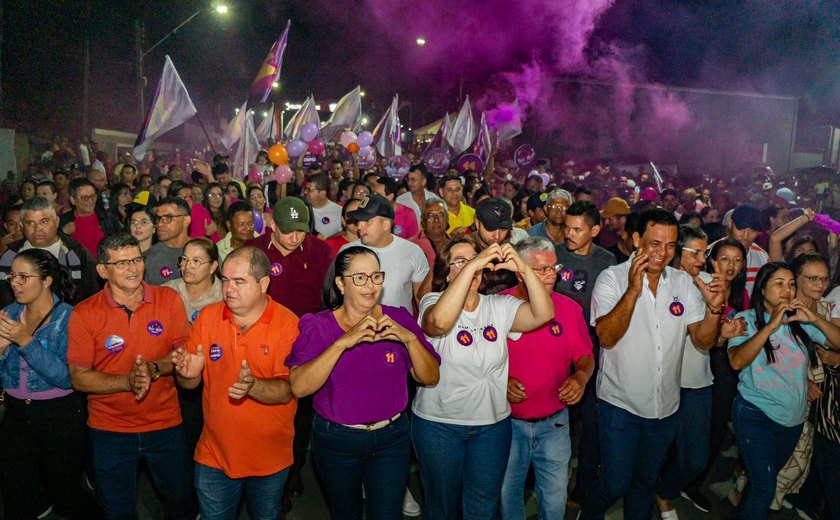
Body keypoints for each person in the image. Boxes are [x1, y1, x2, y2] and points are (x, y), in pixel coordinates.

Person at [580, 208, 725, 520]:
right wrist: (633, 291)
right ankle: (589, 512)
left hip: (665, 407)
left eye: (671, 245)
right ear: (636, 240)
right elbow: (606, 336)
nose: (663, 253)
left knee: (645, 482)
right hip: (620, 406)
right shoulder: (612, 279)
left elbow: (702, 342)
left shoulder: (683, 284)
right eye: (655, 244)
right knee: (616, 482)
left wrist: (714, 311)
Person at [286, 246, 440, 520]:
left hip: (391, 437)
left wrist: (410, 339)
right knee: (346, 513)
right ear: (340, 283)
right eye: (359, 278)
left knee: (388, 514)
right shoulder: (319, 326)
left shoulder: (399, 319)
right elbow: (299, 387)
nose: (370, 285)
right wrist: (342, 343)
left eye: (376, 276)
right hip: (337, 439)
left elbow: (430, 377)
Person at [413, 237, 554, 519]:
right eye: (460, 261)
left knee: (483, 506)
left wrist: (524, 270)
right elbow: (439, 324)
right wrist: (474, 264)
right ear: (447, 271)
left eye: (475, 260)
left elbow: (543, 313)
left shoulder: (498, 306)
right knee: (442, 506)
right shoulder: (431, 301)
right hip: (441, 426)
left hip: (491, 427)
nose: (472, 267)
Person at [67, 233, 196, 520]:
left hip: (165, 423)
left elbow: (182, 353)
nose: (133, 268)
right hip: (109, 430)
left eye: (136, 259)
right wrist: (128, 381)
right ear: (102, 270)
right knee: (117, 509)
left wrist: (152, 369)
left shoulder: (168, 299)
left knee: (181, 500)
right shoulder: (84, 313)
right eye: (122, 262)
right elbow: (79, 377)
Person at [171, 247, 299, 520]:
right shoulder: (207, 317)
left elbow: (288, 390)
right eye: (225, 280)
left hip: (269, 459)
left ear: (263, 283)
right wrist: (187, 373)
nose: (229, 289)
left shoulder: (288, 324)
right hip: (214, 455)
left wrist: (253, 386)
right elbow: (190, 384)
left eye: (239, 281)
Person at [727, 262, 840, 519]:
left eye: (790, 284)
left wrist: (816, 320)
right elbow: (736, 361)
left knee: (759, 485)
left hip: (791, 421)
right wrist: (769, 326)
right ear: (763, 288)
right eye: (779, 283)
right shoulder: (745, 320)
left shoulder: (799, 322)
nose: (787, 290)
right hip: (756, 415)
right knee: (765, 488)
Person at [654, 227, 748, 517]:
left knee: (696, 457)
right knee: (654, 452)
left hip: (697, 381)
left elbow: (711, 339)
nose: (701, 258)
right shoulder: (657, 282)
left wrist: (724, 334)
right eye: (694, 251)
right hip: (660, 380)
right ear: (674, 250)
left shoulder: (710, 283)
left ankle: (665, 492)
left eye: (704, 252)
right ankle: (651, 494)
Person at [500, 237, 594, 520]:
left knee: (554, 502)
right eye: (541, 269)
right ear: (520, 272)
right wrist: (500, 382)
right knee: (507, 495)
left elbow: (586, 356)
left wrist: (580, 377)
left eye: (553, 267)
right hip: (507, 423)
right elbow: (479, 363)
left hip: (554, 422)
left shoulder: (568, 309)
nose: (551, 274)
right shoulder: (498, 307)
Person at [0, 249, 94, 519]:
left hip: (59, 415)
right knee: (16, 492)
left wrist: (25, 341)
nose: (14, 283)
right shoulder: (8, 313)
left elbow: (66, 377)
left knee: (65, 491)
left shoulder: (69, 318)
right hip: (15, 413)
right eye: (12, 276)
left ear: (46, 280)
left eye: (23, 277)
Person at [553, 201, 616, 507]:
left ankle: (583, 487)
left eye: (577, 229)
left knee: (590, 422)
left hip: (590, 351)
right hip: (552, 347)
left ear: (594, 230)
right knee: (551, 414)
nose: (569, 233)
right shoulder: (553, 254)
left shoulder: (607, 261)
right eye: (567, 226)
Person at [0, 197, 99, 306]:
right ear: (22, 226)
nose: (38, 228)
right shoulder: (9, 257)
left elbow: (93, 295)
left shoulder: (76, 253)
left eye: (44, 221)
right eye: (30, 223)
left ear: (56, 221)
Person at [345, 194, 429, 311]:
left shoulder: (412, 252)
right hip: (357, 327)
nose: (359, 226)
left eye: (367, 221)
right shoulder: (346, 252)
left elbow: (423, 301)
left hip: (400, 327)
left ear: (386, 225)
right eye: (359, 221)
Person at [164, 237, 222, 324]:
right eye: (184, 259)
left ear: (213, 266)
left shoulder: (225, 297)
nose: (187, 266)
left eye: (196, 261)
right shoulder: (167, 290)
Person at [60, 179, 119, 258]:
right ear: (73, 200)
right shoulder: (63, 221)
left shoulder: (107, 218)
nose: (90, 201)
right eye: (84, 198)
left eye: (93, 196)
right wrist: (63, 233)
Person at [145, 196, 192, 286]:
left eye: (168, 218)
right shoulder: (148, 259)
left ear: (186, 220)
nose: (160, 224)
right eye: (158, 218)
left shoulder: (204, 250)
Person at [410, 198, 449, 269]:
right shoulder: (411, 246)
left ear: (447, 218)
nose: (436, 220)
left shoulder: (455, 244)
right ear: (423, 220)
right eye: (430, 216)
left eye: (440, 215)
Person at [305, 173, 342, 238]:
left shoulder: (339, 212)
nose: (305, 192)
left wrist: (328, 240)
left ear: (321, 193)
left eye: (308, 190)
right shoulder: (301, 209)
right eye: (305, 189)